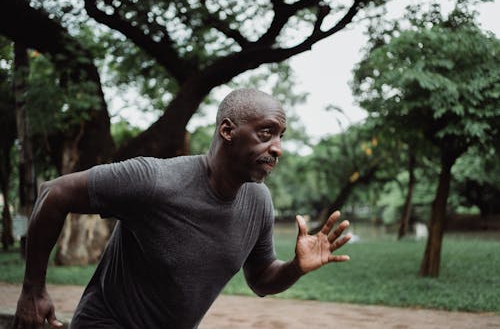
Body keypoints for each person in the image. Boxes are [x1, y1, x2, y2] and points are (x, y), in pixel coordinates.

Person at [12, 88, 351, 329]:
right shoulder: (154, 179)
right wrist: (33, 290)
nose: (277, 148)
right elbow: (53, 193)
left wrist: (296, 267)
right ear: (227, 130)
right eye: (266, 133)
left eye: (280, 137)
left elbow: (261, 280)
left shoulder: (258, 201)